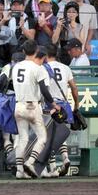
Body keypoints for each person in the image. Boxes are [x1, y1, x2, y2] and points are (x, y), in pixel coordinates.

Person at [12, 40, 59, 179]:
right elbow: (44, 89)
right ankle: (30, 162)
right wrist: (53, 104)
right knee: (42, 137)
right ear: (37, 52)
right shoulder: (38, 68)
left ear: (24, 52)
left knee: (22, 139)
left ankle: (19, 171)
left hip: (18, 105)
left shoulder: (16, 67)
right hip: (32, 105)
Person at [44, 44, 79, 177]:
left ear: (45, 56)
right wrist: (76, 105)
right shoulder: (65, 67)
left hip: (49, 105)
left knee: (48, 138)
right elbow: (74, 88)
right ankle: (65, 158)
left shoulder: (43, 68)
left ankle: (53, 168)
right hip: (64, 104)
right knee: (61, 135)